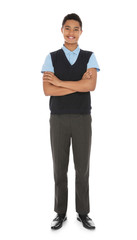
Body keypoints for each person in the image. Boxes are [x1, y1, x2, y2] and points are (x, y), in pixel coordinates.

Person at [41, 13, 100, 230]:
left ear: (81, 32)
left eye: (76, 29)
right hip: (58, 119)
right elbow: (48, 90)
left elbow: (91, 87)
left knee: (82, 168)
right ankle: (60, 213)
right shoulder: (51, 57)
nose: (71, 33)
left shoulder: (90, 57)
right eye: (67, 28)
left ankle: (83, 213)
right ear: (62, 30)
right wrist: (76, 84)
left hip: (83, 118)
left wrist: (60, 82)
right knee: (59, 168)